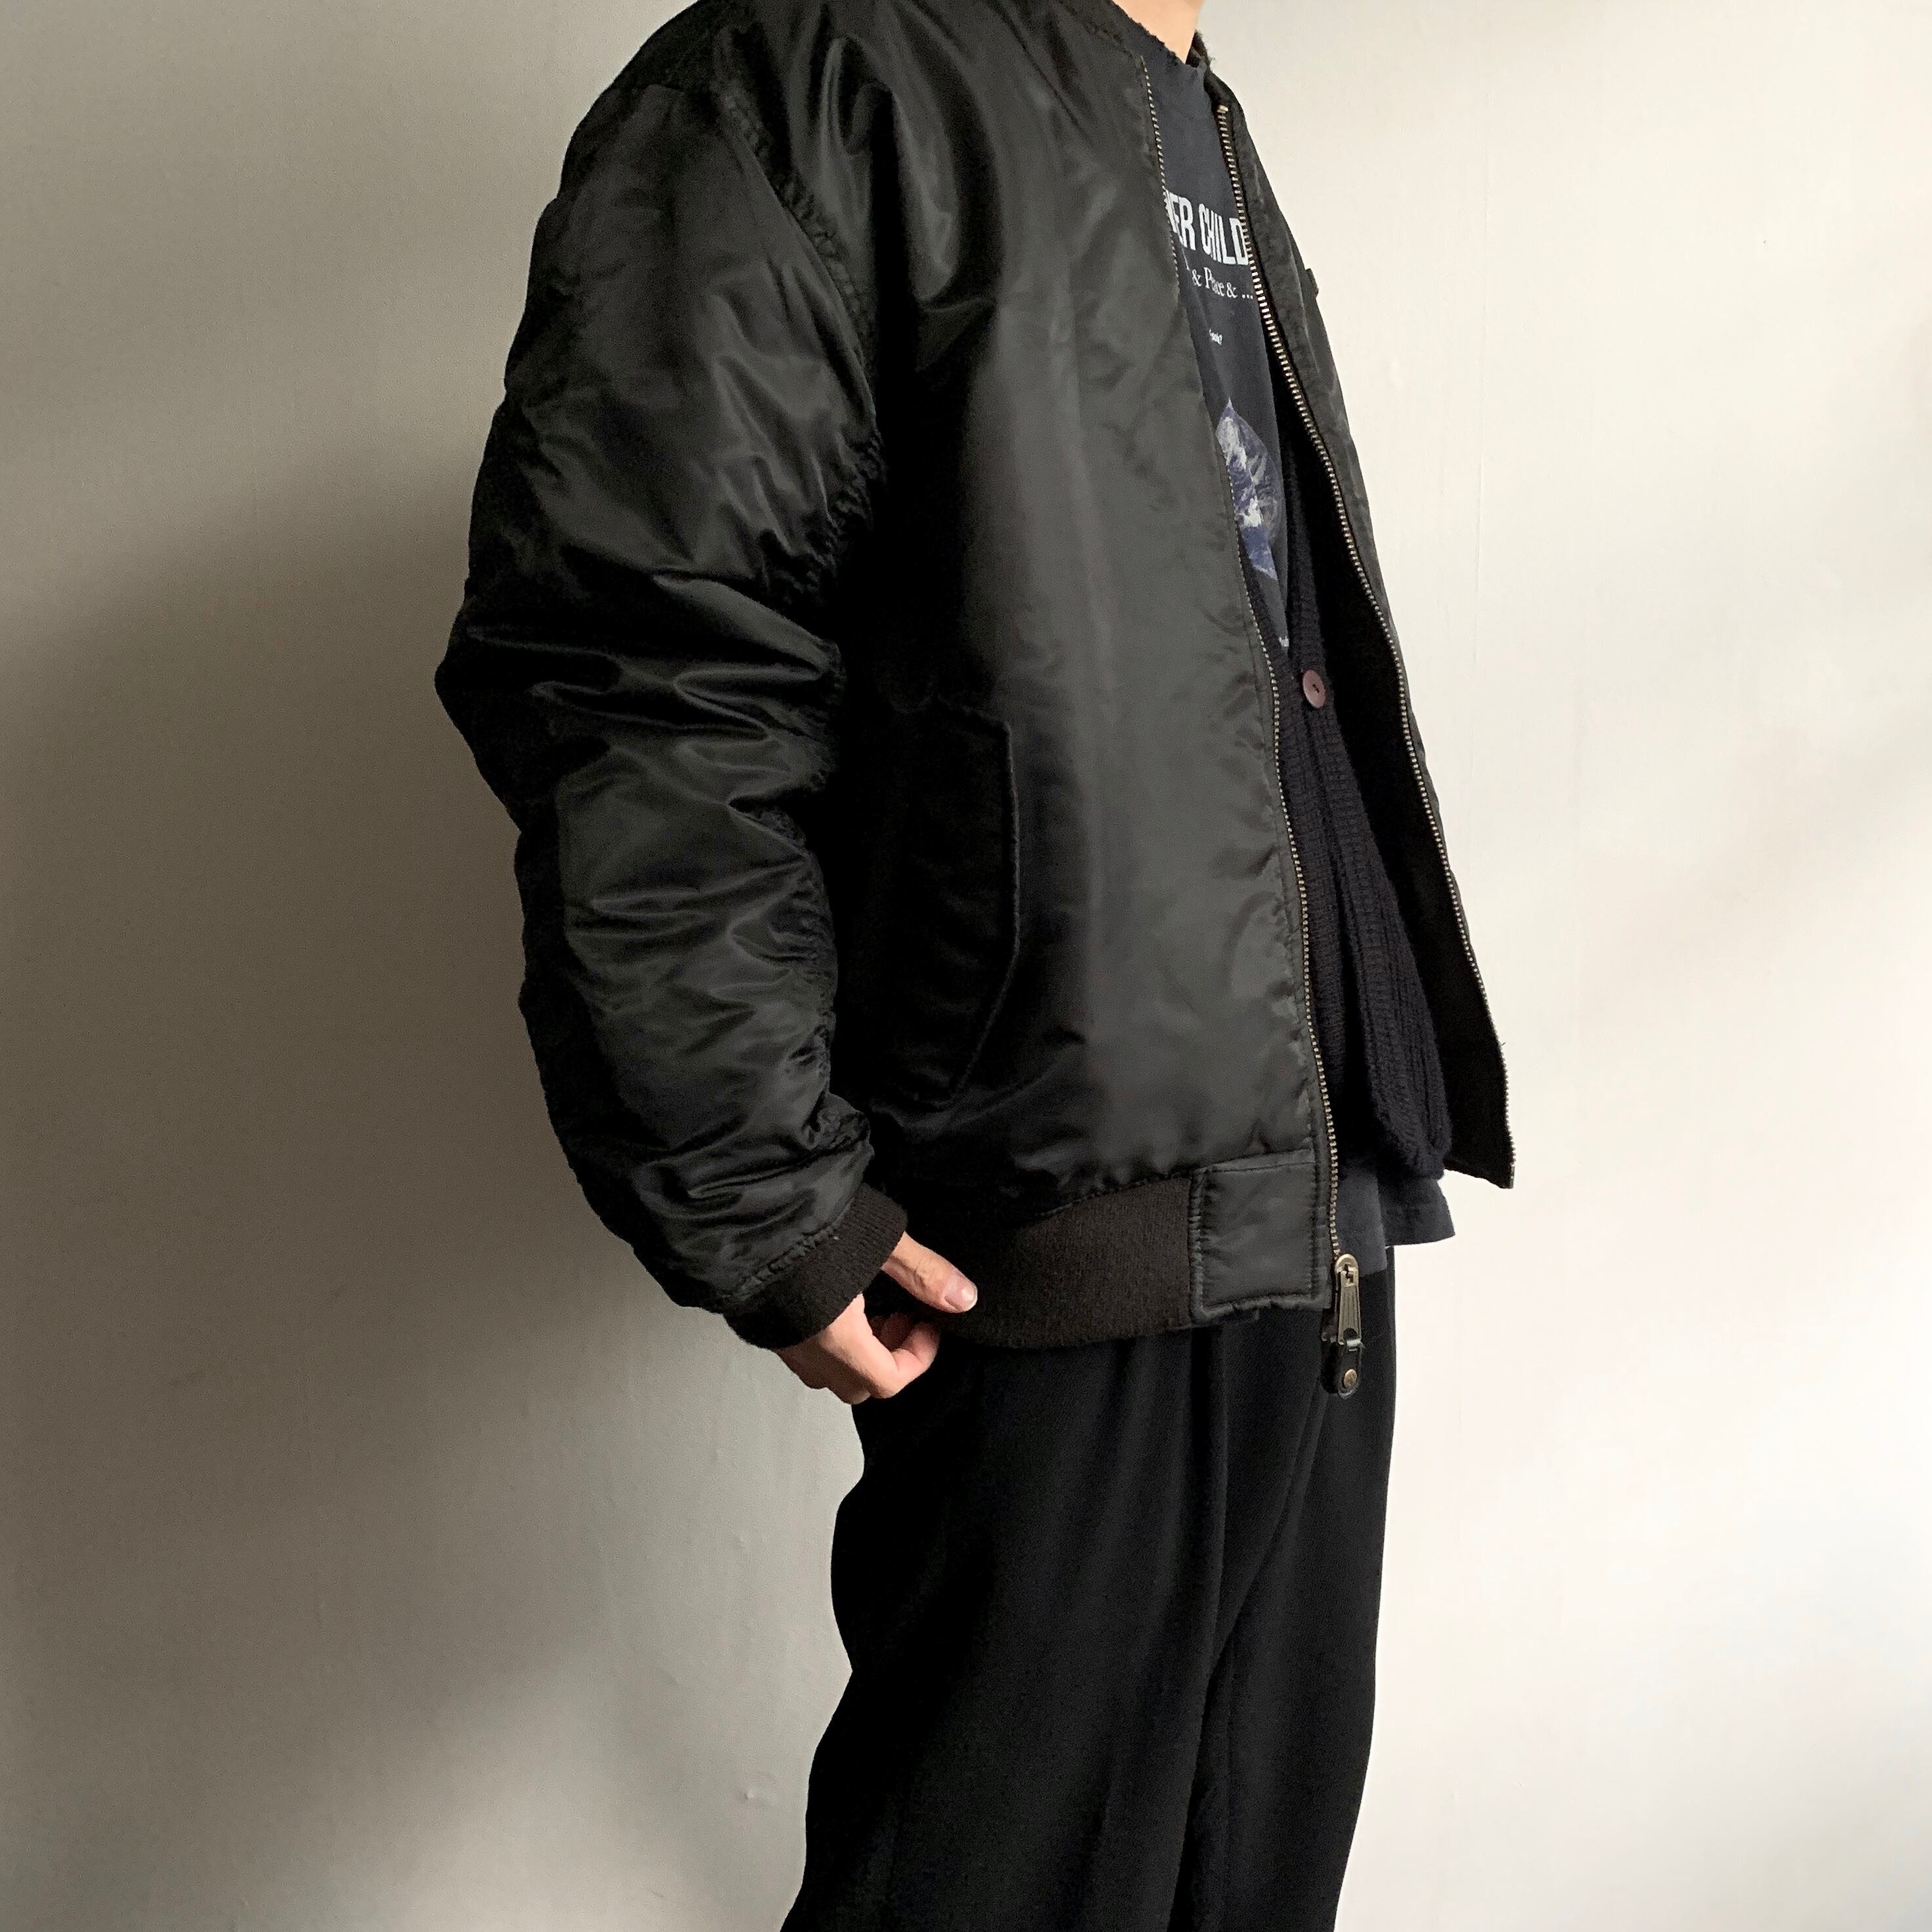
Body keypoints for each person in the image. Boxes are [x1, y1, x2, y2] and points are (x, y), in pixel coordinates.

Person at [436, 0, 1512, 1922]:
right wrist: (764, 1192)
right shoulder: (818, 73)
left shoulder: (1191, 121)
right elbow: (642, 661)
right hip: (1056, 1220)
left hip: (1320, 1227)